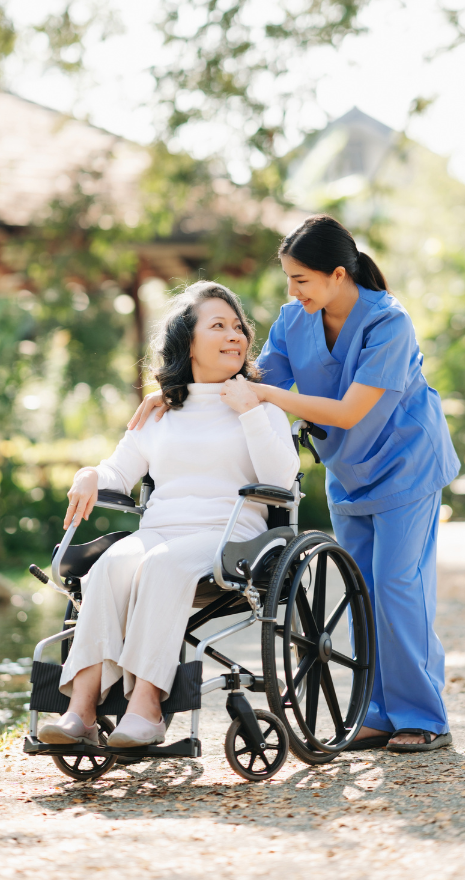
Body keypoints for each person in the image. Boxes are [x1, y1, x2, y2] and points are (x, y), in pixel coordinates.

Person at [130, 215, 460, 753]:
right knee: (361, 594)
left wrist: (270, 399)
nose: (291, 291)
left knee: (398, 586)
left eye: (300, 279)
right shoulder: (295, 319)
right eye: (288, 279)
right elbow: (253, 383)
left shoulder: (388, 324)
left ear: (336, 274)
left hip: (407, 466)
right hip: (348, 471)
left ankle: (423, 716)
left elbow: (350, 410)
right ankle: (376, 713)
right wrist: (176, 393)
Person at [39, 282, 299, 749]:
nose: (235, 335)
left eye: (238, 326)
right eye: (218, 325)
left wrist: (250, 410)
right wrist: (88, 473)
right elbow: (118, 471)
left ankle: (148, 707)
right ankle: (81, 710)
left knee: (161, 565)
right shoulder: (161, 411)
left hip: (231, 536)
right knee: (110, 565)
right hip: (160, 530)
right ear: (188, 342)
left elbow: (282, 479)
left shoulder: (262, 403)